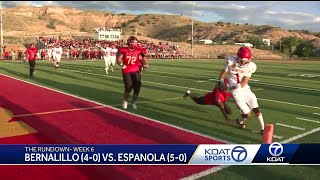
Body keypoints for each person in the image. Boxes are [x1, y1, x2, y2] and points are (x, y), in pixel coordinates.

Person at [219, 47, 265, 134]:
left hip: (244, 88)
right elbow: (224, 72)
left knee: (255, 108)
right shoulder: (231, 61)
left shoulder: (251, 66)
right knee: (247, 113)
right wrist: (221, 80)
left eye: (245, 61)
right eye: (242, 60)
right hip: (236, 92)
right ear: (237, 57)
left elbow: (244, 82)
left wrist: (228, 87)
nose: (243, 63)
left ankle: (263, 128)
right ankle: (238, 122)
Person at [116, 36, 148, 110]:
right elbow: (118, 59)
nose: (135, 43)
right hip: (127, 70)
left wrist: (145, 64)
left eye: (136, 42)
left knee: (137, 87)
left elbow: (142, 58)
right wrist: (122, 64)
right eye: (134, 42)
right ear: (129, 42)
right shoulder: (124, 50)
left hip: (136, 70)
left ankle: (134, 102)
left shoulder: (138, 50)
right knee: (128, 86)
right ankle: (125, 101)